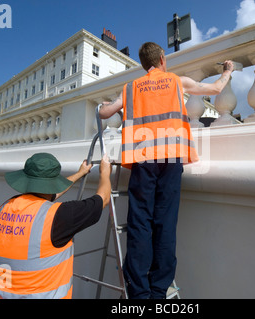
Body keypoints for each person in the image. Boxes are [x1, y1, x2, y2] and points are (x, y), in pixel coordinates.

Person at [99, 42, 234, 299]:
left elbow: (106, 112)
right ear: (162, 59)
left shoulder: (130, 88)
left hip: (143, 159)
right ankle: (159, 290)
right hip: (171, 159)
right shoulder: (176, 81)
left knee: (140, 224)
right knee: (165, 223)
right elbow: (216, 88)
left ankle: (139, 292)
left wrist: (102, 106)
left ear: (143, 64)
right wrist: (227, 70)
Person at [0, 152, 111, 299]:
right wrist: (105, 172)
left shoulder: (5, 208)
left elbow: (47, 197)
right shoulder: (59, 216)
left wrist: (79, 173)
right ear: (52, 183)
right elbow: (104, 198)